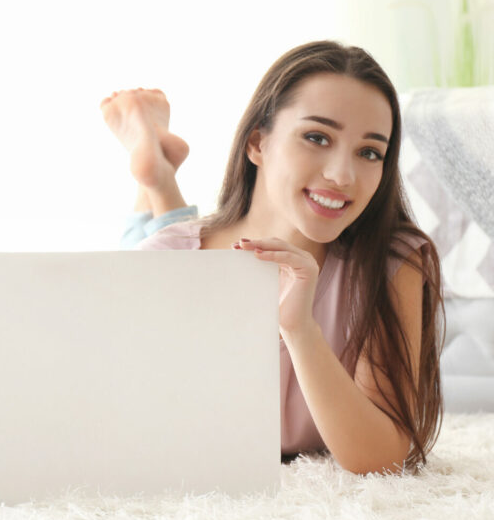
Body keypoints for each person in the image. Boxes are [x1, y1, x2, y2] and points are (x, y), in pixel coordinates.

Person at [101, 40, 445, 476]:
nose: (343, 176)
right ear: (257, 143)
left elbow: (380, 457)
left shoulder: (392, 262)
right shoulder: (168, 258)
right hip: (173, 250)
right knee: (150, 244)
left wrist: (301, 329)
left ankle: (159, 177)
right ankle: (157, 179)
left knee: (160, 237)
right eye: (317, 137)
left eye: (370, 152)